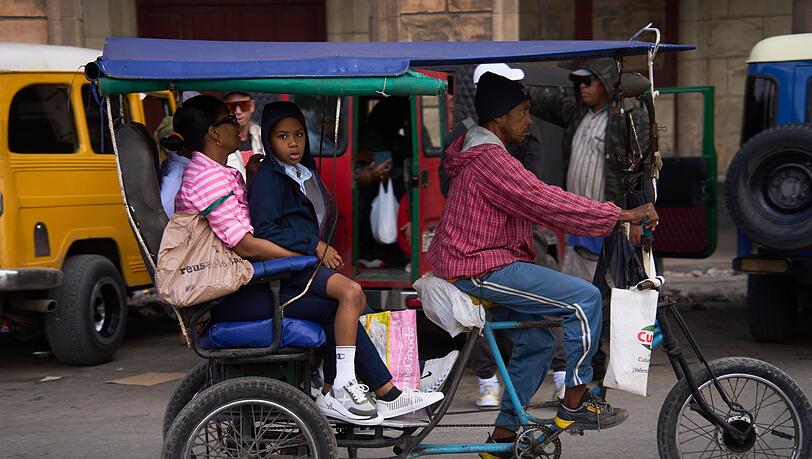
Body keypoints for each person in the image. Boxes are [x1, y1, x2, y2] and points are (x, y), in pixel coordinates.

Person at [426, 72, 658, 455]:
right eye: (523, 112)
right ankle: (577, 400)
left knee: (536, 340)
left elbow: (540, 200)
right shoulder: (489, 158)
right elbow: (545, 201)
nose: (529, 119)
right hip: (477, 265)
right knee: (583, 299)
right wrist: (620, 215)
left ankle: (502, 437)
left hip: (480, 261)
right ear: (499, 119)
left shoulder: (485, 151)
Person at [248, 101, 444, 424]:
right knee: (352, 293)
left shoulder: (303, 172)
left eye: (298, 134)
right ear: (269, 140)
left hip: (305, 266)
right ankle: (349, 386)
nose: (293, 143)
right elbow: (266, 230)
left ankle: (369, 388)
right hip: (289, 271)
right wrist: (314, 246)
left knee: (357, 309)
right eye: (283, 137)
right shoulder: (269, 179)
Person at [440, 63, 566, 408]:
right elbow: (448, 185)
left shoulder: (523, 134)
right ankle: (489, 380)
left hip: (521, 230)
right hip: (480, 247)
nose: (527, 117)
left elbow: (532, 188)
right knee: (485, 315)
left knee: (542, 310)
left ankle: (561, 375)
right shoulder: (463, 138)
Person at [526, 59, 649, 385]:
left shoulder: (626, 119)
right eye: (579, 82)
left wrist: (636, 220)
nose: (583, 87)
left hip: (612, 223)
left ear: (607, 83)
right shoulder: (578, 113)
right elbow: (544, 101)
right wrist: (510, 86)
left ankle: (603, 364)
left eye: (590, 81)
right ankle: (586, 362)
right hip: (580, 223)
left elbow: (639, 170)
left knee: (612, 298)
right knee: (583, 295)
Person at [223, 91, 265, 180]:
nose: (238, 111)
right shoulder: (219, 142)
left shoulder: (263, 136)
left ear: (252, 106)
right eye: (232, 107)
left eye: (244, 105)